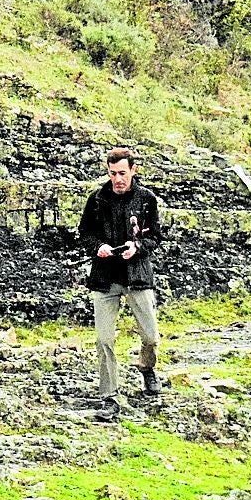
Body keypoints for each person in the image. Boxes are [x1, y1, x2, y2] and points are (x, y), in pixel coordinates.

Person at [78, 147, 164, 421]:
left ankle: (147, 368)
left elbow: (156, 238)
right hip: (104, 279)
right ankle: (109, 396)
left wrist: (136, 247)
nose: (118, 179)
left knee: (151, 336)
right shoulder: (96, 199)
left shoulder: (147, 199)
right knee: (104, 339)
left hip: (137, 275)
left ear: (133, 170)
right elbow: (85, 233)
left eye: (122, 173)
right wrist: (99, 246)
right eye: (113, 173)